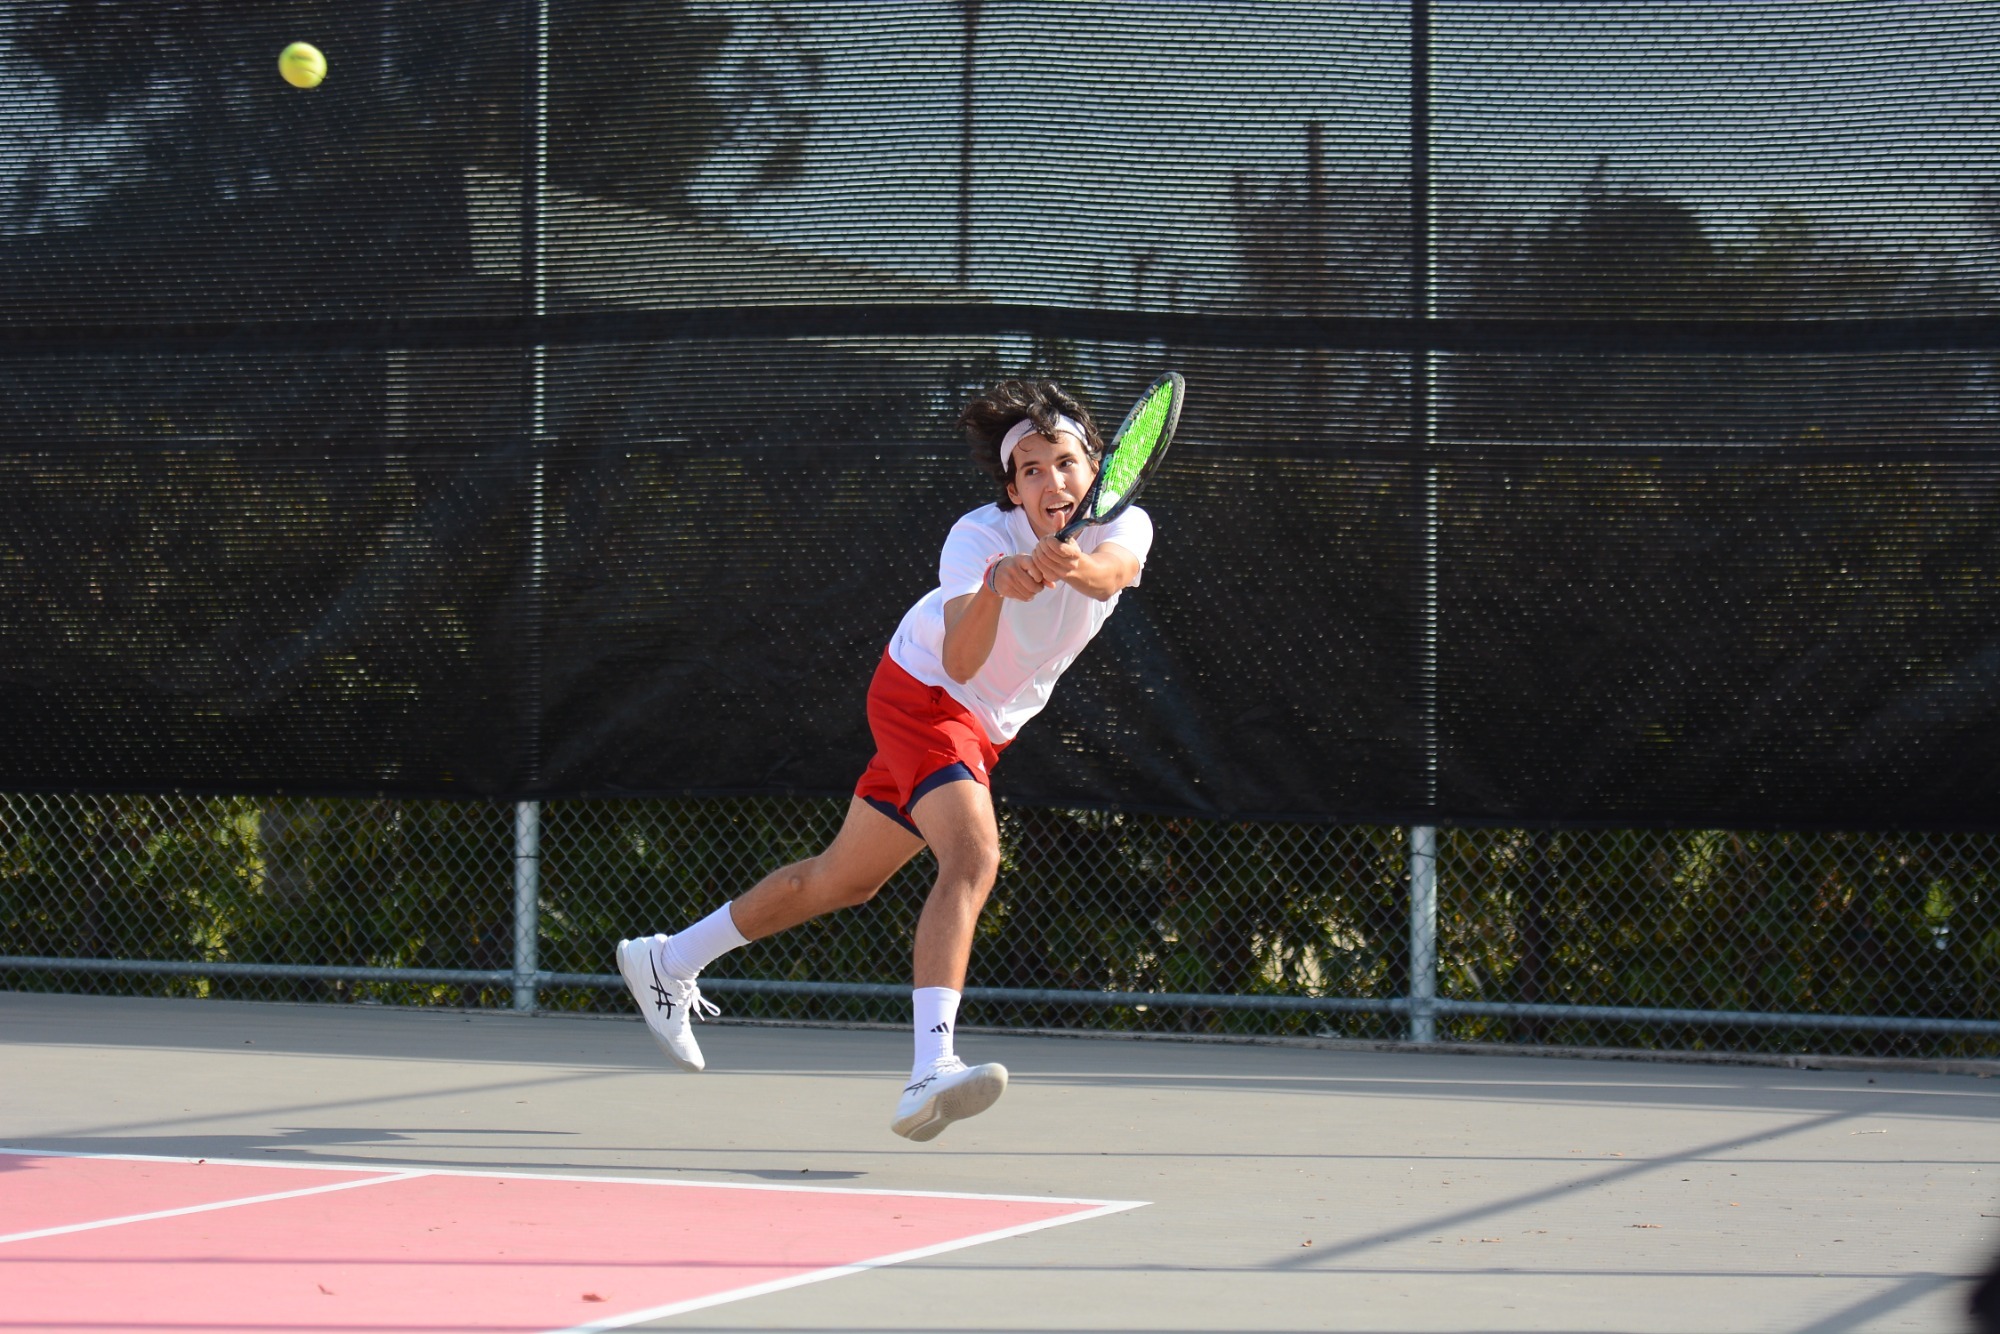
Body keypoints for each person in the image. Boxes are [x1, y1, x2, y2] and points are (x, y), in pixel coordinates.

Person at [616, 378, 1155, 1141]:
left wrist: (1064, 563)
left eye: (1064, 463)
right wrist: (1001, 586)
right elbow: (963, 662)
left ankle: (668, 959)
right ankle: (929, 1072)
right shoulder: (977, 538)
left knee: (842, 880)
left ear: (1095, 467)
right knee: (971, 857)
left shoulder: (1125, 522)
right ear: (1011, 489)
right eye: (1030, 470)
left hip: (987, 727)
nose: (1052, 481)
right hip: (924, 693)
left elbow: (1113, 574)